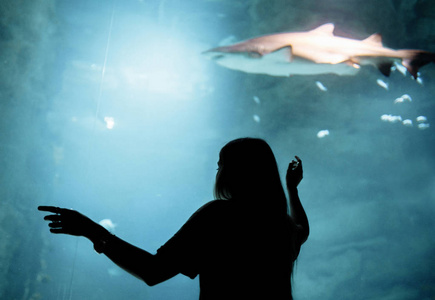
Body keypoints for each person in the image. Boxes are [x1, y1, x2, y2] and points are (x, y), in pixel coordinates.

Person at [39, 137, 309, 300]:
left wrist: (93, 231)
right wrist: (292, 190)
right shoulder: (280, 227)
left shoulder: (218, 216)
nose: (217, 171)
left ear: (233, 174)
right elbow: (302, 230)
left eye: (220, 165)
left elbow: (153, 272)